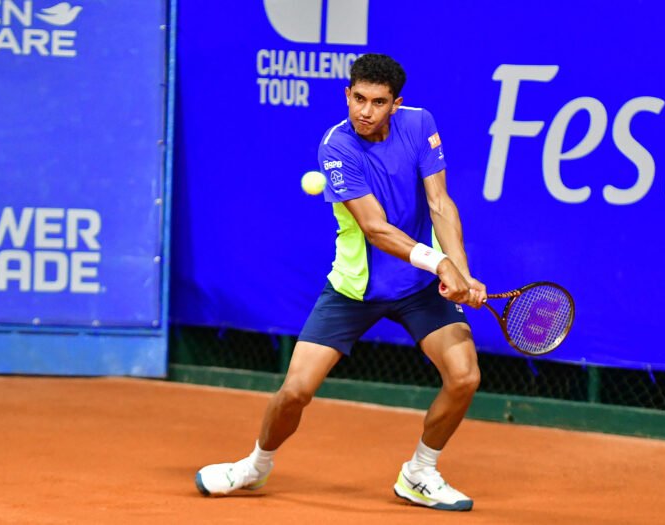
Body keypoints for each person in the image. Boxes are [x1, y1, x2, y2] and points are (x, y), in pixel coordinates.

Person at [195, 54, 487, 512]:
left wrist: (461, 269)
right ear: (347, 94)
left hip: (418, 288)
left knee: (465, 376)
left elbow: (440, 203)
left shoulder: (420, 124)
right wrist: (440, 264)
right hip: (355, 290)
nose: (365, 111)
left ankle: (420, 472)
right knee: (295, 392)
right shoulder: (337, 147)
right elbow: (374, 228)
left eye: (377, 102)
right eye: (358, 98)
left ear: (396, 104)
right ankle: (255, 465)